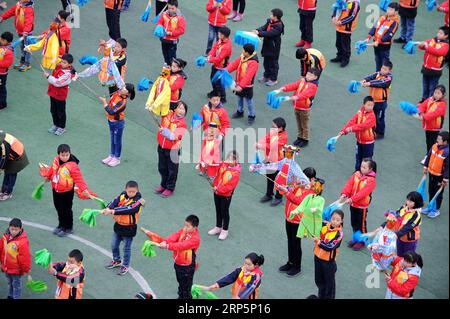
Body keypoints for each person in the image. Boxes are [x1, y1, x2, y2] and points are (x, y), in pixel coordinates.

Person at [143, 215, 201, 299]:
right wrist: (165, 241)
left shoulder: (195, 239)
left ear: (195, 227)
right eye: (185, 225)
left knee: (186, 289)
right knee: (181, 284)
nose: (185, 228)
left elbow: (181, 245)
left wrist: (167, 246)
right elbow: (176, 235)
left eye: (188, 226)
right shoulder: (185, 230)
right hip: (178, 263)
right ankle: (181, 295)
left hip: (186, 267)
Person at [42, 144, 91, 237]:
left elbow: (79, 178)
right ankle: (61, 225)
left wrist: (84, 189)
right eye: (63, 155)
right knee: (58, 208)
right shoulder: (56, 160)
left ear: (69, 154)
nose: (65, 157)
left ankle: (68, 227)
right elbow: (52, 169)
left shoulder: (72, 166)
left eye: (67, 155)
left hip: (67, 192)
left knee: (66, 209)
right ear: (58, 154)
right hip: (56, 189)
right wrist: (48, 177)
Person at [277, 167, 318, 277]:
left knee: (296, 243)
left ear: (311, 179)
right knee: (290, 241)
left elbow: (299, 201)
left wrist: (287, 193)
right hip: (289, 217)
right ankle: (290, 262)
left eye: (304, 178)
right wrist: (283, 187)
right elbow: (287, 188)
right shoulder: (298, 184)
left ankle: (297, 266)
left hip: (298, 221)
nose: (301, 180)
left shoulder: (311, 191)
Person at [103, 180, 144, 275]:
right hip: (118, 226)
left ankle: (125, 265)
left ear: (137, 191)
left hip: (129, 228)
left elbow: (128, 209)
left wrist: (112, 211)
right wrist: (108, 208)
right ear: (125, 190)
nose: (131, 193)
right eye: (129, 191)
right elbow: (114, 202)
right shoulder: (122, 195)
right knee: (114, 245)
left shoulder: (138, 201)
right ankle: (116, 260)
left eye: (133, 192)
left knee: (126, 248)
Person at [275, 68, 320, 147]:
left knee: (304, 124)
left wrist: (294, 98)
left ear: (315, 77)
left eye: (310, 75)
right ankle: (300, 137)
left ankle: (305, 139)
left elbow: (305, 95)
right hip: (297, 106)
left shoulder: (313, 86)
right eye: (308, 74)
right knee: (299, 123)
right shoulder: (303, 81)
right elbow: (294, 85)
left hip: (304, 108)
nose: (308, 76)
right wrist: (284, 88)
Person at [368, 191, 423, 257]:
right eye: (407, 200)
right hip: (399, 237)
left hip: (409, 241)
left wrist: (395, 235)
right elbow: (394, 218)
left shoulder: (416, 215)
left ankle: (408, 267)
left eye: (410, 201)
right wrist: (383, 226)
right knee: (399, 254)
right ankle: (400, 265)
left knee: (408, 257)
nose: (408, 202)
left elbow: (407, 228)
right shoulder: (402, 208)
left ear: (416, 203)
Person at [340, 158, 377, 251]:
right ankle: (356, 238)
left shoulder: (371, 181)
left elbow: (363, 193)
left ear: (370, 169)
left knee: (361, 225)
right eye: (361, 166)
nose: (362, 169)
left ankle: (362, 241)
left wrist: (352, 199)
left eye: (364, 167)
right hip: (353, 205)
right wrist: (344, 194)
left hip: (361, 207)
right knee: (354, 223)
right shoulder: (356, 174)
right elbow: (349, 185)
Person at [155, 101, 188, 198]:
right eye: (179, 108)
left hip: (173, 150)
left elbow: (174, 136)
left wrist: (164, 131)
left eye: (183, 109)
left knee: (172, 170)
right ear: (175, 108)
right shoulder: (167, 114)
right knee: (162, 167)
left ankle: (169, 188)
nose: (181, 111)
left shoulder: (182, 124)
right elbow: (161, 107)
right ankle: (163, 185)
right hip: (161, 146)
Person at [309, 209, 344, 299]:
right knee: (319, 281)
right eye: (333, 219)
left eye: (337, 220)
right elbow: (315, 221)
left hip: (328, 263)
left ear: (341, 221)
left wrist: (319, 242)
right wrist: (314, 213)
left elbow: (330, 247)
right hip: (317, 257)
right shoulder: (324, 224)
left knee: (329, 286)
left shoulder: (339, 234)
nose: (334, 221)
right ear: (330, 218)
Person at [99, 83, 135, 167]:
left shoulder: (122, 102)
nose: (121, 88)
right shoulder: (116, 93)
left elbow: (111, 111)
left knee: (117, 141)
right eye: (122, 87)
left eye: (124, 89)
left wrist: (104, 103)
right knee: (112, 139)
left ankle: (117, 158)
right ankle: (111, 155)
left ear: (128, 93)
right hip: (110, 121)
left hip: (118, 123)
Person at [208, 150, 241, 240]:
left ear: (236, 161)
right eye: (228, 158)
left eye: (232, 159)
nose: (229, 160)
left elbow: (229, 186)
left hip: (225, 195)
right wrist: (204, 164)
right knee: (218, 210)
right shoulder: (223, 165)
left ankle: (225, 230)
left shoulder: (235, 173)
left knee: (224, 212)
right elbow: (213, 166)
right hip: (216, 192)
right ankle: (218, 227)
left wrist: (217, 189)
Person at [338, 96, 376, 171]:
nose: (370, 107)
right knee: (358, 157)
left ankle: (367, 174)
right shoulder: (359, 112)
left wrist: (351, 129)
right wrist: (343, 130)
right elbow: (352, 121)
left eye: (372, 105)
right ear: (364, 105)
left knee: (367, 160)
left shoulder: (372, 116)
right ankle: (357, 172)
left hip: (368, 143)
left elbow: (363, 126)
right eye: (369, 105)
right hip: (359, 141)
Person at [256, 117, 288, 206]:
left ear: (280, 128)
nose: (272, 128)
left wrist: (260, 146)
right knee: (269, 177)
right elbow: (265, 139)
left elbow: (272, 146)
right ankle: (269, 194)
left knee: (279, 180)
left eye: (274, 127)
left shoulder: (283, 137)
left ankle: (278, 197)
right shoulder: (272, 132)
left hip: (278, 161)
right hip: (269, 159)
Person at [226, 43, 259, 125]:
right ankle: (240, 111)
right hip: (239, 83)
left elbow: (248, 76)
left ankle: (251, 115)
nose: (242, 51)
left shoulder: (253, 63)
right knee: (239, 97)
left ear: (247, 52)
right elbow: (234, 64)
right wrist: (225, 71)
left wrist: (241, 86)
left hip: (247, 86)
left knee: (249, 101)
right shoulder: (242, 57)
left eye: (243, 50)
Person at [360, 60, 393, 139]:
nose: (382, 70)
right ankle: (372, 130)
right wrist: (365, 80)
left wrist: (369, 83)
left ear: (389, 71)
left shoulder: (388, 78)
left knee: (380, 118)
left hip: (381, 103)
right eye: (382, 68)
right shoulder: (378, 73)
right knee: (372, 116)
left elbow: (380, 82)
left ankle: (380, 133)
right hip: (373, 101)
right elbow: (370, 77)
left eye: (385, 69)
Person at [0, 218, 31, 299]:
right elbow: (1, 249)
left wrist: (26, 269)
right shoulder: (5, 236)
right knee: (9, 283)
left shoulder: (22, 242)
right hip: (6, 267)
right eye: (12, 229)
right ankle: (10, 295)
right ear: (9, 227)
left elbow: (25, 257)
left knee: (16, 285)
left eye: (16, 229)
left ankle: (15, 297)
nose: (13, 231)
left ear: (20, 229)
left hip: (16, 270)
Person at [0, 0, 35, 72]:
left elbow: (29, 21)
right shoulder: (19, 4)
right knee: (22, 47)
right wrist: (3, 17)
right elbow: (11, 11)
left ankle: (27, 64)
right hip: (20, 31)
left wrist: (26, 32)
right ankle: (22, 62)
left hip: (26, 33)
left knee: (27, 48)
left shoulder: (29, 9)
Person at [45, 53, 74, 136]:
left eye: (64, 62)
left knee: (60, 112)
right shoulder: (58, 66)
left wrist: (48, 77)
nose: (62, 63)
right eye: (62, 61)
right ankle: (55, 125)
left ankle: (61, 127)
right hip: (53, 93)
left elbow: (58, 83)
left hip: (60, 96)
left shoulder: (68, 74)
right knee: (53, 110)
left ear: (69, 64)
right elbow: (57, 58)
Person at [253, 8, 284, 86]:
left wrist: (259, 33)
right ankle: (266, 76)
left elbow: (269, 33)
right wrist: (257, 30)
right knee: (266, 62)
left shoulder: (279, 26)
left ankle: (273, 79)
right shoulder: (270, 21)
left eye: (271, 14)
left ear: (275, 17)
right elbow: (264, 27)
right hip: (267, 45)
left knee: (273, 63)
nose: (270, 15)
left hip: (274, 47)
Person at [418, 26, 449, 102]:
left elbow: (439, 52)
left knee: (432, 87)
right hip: (426, 68)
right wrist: (422, 45)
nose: (438, 34)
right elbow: (421, 46)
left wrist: (427, 47)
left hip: (435, 71)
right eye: (438, 32)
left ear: (446, 36)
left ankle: (431, 101)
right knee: (425, 86)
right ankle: (424, 99)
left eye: (441, 33)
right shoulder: (432, 40)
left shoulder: (446, 45)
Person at [422, 131, 449, 218]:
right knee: (431, 190)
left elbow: (448, 167)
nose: (437, 140)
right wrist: (426, 166)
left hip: (440, 177)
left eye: (439, 139)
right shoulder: (434, 146)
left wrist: (445, 178)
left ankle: (436, 210)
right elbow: (428, 156)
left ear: (445, 142)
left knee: (438, 193)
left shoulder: (447, 152)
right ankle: (430, 207)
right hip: (431, 173)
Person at [366, 2, 399, 71]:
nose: (388, 11)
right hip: (376, 44)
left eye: (391, 10)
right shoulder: (382, 17)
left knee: (385, 62)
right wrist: (369, 36)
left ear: (395, 12)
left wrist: (379, 41)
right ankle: (378, 73)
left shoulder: (394, 23)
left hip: (384, 46)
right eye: (388, 9)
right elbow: (374, 27)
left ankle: (385, 76)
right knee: (377, 59)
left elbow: (389, 35)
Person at [415, 85, 447, 154]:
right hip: (428, 126)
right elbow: (422, 106)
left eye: (438, 93)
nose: (436, 95)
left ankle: (431, 156)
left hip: (435, 128)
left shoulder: (442, 104)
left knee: (432, 143)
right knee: (428, 142)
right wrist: (420, 112)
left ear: (443, 95)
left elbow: (435, 114)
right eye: (435, 92)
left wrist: (424, 117)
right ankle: (429, 155)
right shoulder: (430, 99)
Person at [0, 131, 29, 201]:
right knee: (7, 172)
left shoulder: (4, 143)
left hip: (17, 156)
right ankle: (3, 190)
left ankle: (8, 193)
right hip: (9, 154)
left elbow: (4, 157)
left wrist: (1, 169)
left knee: (11, 173)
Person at [331, 0, 361, 67]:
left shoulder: (355, 3)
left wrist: (341, 22)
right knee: (338, 43)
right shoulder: (342, 0)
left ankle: (345, 59)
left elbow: (352, 16)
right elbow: (336, 7)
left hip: (346, 28)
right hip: (339, 27)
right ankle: (339, 56)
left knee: (345, 45)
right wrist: (333, 17)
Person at [206, 26, 232, 103]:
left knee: (219, 83)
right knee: (213, 79)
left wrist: (209, 59)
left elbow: (219, 59)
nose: (218, 34)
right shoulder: (220, 40)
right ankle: (215, 92)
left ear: (223, 35)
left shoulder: (226, 47)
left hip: (221, 67)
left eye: (219, 33)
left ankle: (222, 97)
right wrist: (210, 55)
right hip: (216, 65)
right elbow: (214, 48)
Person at [156, 0, 186, 65]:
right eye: (169, 8)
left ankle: (173, 69)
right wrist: (159, 26)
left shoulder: (180, 18)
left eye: (173, 8)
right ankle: (167, 67)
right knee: (165, 54)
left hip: (172, 41)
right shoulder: (164, 14)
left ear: (177, 8)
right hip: (164, 39)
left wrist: (170, 33)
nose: (171, 10)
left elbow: (181, 30)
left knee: (172, 56)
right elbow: (159, 22)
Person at [0, 31, 14, 110]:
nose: (0, 40)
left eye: (1, 39)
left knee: (1, 88)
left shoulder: (9, 52)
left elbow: (6, 64)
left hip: (2, 74)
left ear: (6, 41)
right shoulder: (2, 47)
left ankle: (2, 103)